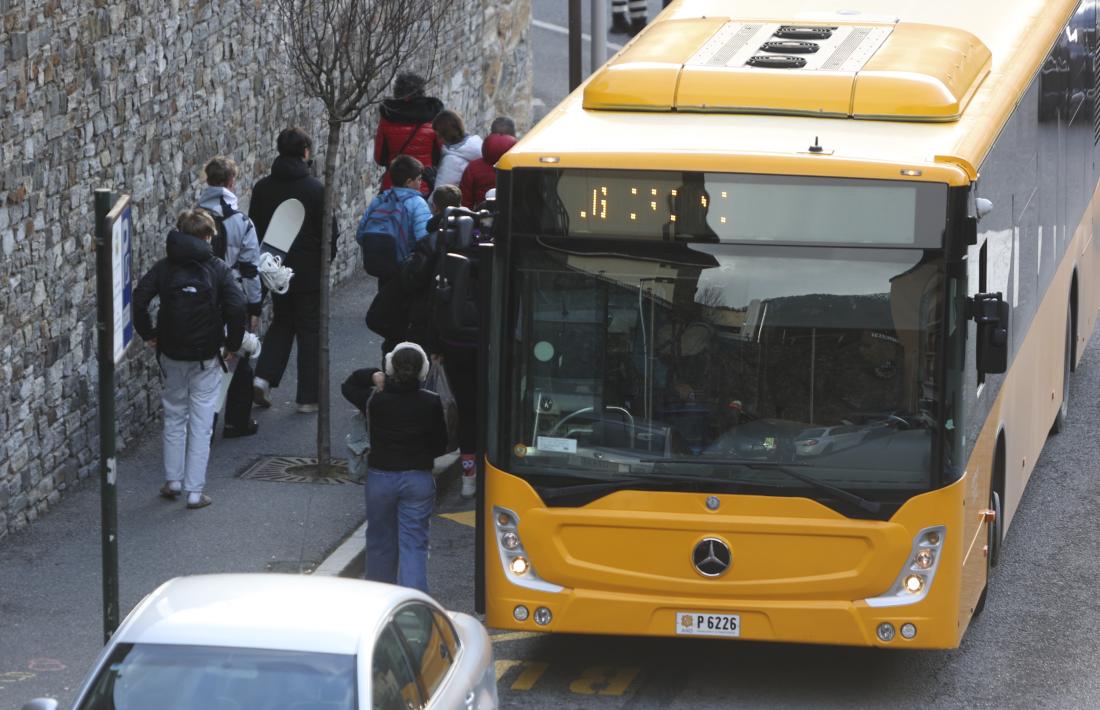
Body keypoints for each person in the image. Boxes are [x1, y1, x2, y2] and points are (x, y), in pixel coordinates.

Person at [132, 209, 246, 509]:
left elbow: (139, 298)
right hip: (206, 356)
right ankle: (195, 492)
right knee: (201, 421)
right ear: (208, 236)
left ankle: (173, 481)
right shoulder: (217, 268)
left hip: (171, 351)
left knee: (174, 415)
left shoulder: (165, 267)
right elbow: (236, 307)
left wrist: (149, 333)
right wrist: (232, 343)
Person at [360, 342, 448, 594]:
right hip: (417, 478)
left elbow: (349, 384)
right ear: (423, 371)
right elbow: (440, 444)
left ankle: (377, 599)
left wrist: (372, 376)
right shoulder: (430, 402)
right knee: (414, 544)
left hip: (380, 478)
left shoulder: (376, 400)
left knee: (379, 541)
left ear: (389, 367)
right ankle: (413, 606)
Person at [249, 127, 326, 414]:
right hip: (307, 270)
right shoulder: (315, 188)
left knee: (282, 322)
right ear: (305, 152)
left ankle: (263, 377)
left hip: (273, 266)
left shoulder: (263, 188)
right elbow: (327, 230)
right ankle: (308, 397)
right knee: (310, 330)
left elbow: (254, 228)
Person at [197, 156, 263, 438]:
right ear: (230, 182)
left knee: (206, 362)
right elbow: (250, 269)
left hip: (200, 298)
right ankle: (237, 421)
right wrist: (255, 306)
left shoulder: (192, 219)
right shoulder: (242, 222)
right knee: (239, 356)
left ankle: (205, 426)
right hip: (233, 297)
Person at [360, 155, 434, 356]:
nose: (421, 183)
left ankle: (389, 368)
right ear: (410, 181)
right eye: (419, 179)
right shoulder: (417, 203)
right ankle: (405, 369)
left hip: (384, 271)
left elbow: (361, 233)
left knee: (389, 322)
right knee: (405, 326)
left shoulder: (380, 199)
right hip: (407, 273)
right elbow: (424, 240)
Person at [374, 72, 443, 196]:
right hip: (422, 185)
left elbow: (380, 158)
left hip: (392, 186)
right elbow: (439, 155)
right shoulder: (432, 118)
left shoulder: (388, 117)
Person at [459, 130, 517, 208]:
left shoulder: (473, 167)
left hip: (483, 213)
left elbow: (465, 197)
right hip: (511, 214)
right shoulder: (518, 167)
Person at [431, 110, 482, 190]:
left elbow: (440, 196)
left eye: (438, 135)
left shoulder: (451, 161)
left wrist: (431, 181)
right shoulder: (476, 145)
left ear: (444, 134)